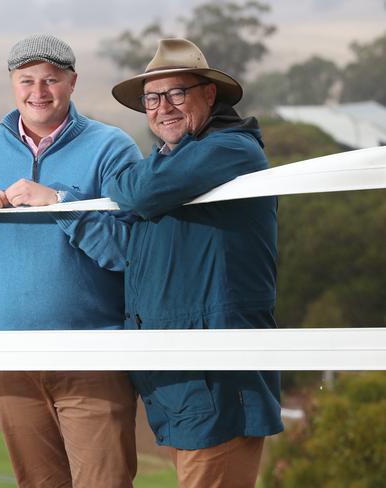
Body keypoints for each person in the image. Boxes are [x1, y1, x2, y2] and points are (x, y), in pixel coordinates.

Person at [0, 34, 141, 488]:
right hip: (8, 360)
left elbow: (131, 250)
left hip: (93, 358)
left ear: (72, 82)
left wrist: (61, 203)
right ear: (12, 84)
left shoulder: (111, 148)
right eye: (28, 80)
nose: (39, 92)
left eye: (51, 80)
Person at [106, 38, 284, 488]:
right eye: (152, 97)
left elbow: (136, 191)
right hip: (182, 368)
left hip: (216, 372)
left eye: (177, 93)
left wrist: (122, 182)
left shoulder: (230, 149)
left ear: (210, 94)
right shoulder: (174, 160)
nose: (163, 107)